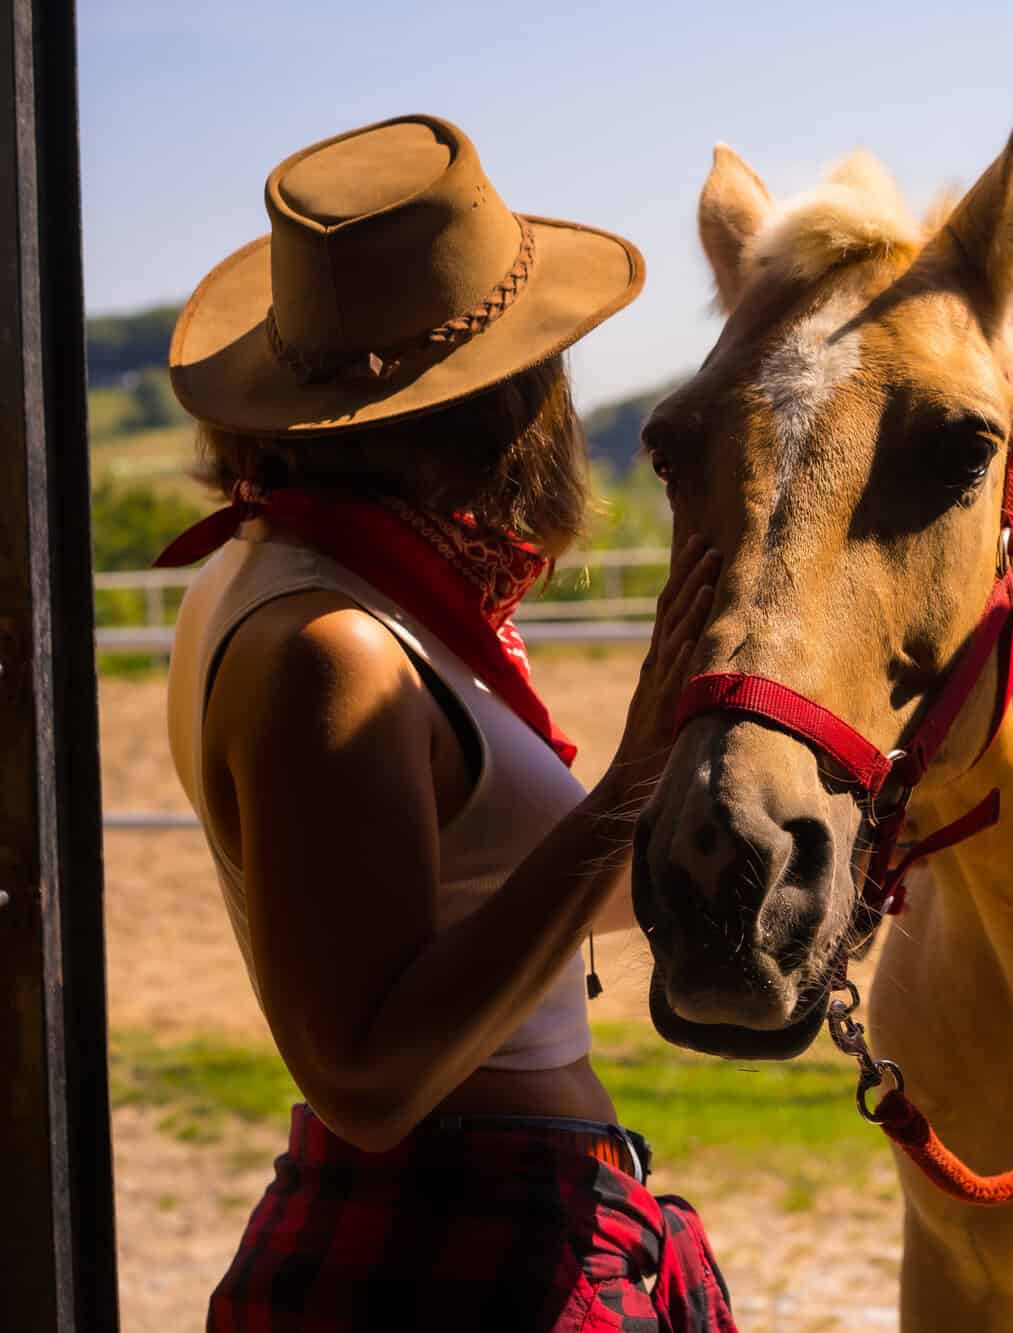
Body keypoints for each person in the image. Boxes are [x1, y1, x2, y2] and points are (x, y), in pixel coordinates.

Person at [159, 115, 732, 1331]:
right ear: (507, 404)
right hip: (466, 1251)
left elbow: (485, 897)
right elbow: (369, 1077)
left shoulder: (336, 587)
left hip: (473, 1230)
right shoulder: (335, 649)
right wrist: (630, 778)